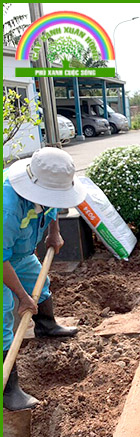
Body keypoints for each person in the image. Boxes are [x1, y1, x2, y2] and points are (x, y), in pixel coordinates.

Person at [3, 147, 87, 411]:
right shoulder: (7, 208)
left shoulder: (46, 187)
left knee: (41, 282)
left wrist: (55, 233)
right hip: (3, 257)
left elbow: (51, 208)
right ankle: (9, 390)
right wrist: (23, 298)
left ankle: (46, 326)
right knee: (4, 316)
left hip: (20, 252)